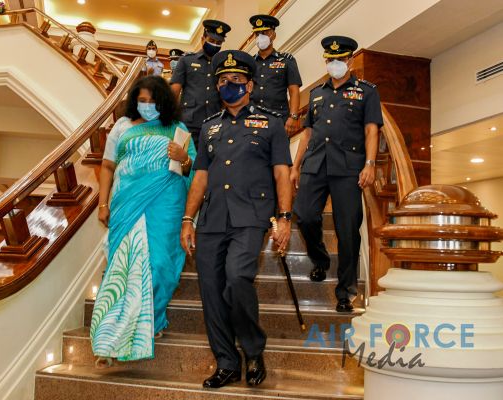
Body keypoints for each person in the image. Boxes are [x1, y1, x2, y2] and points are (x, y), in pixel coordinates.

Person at [180, 50, 293, 388]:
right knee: (211, 292)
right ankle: (227, 362)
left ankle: (253, 350)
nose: (229, 85)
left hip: (251, 217)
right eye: (223, 80)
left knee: (237, 278)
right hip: (212, 218)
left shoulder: (271, 124)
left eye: (236, 80)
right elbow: (200, 176)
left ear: (250, 84)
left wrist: (285, 218)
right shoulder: (209, 127)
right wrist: (188, 219)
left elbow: (282, 174)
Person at [91, 75, 196, 366]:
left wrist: (183, 157)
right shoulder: (122, 127)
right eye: (142, 100)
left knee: (160, 265)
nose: (147, 105)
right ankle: (110, 340)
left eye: (153, 101)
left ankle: (152, 322)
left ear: (164, 102)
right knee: (122, 269)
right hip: (127, 205)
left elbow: (194, 171)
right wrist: (102, 203)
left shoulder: (177, 129)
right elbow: (108, 166)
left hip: (166, 205)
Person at [291, 36, 382, 313]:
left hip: (348, 168)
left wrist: (370, 163)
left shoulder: (366, 92)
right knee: (304, 215)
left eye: (340, 59)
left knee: (347, 231)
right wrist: (295, 166)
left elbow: (371, 130)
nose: (334, 64)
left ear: (350, 61)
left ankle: (346, 292)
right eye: (330, 60)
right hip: (315, 164)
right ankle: (320, 259)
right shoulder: (317, 93)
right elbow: (307, 133)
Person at [170, 19, 231, 148]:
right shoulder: (186, 60)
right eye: (212, 40)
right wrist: (169, 118)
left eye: (219, 43)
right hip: (188, 122)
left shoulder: (222, 66)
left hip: (214, 123)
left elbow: (226, 95)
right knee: (182, 157)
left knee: (211, 158)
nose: (215, 45)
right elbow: (174, 92)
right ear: (203, 39)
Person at [249, 14, 302, 136]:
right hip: (254, 120)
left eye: (265, 32)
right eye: (257, 34)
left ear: (273, 34)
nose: (261, 37)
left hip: (279, 119)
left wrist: (293, 116)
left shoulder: (286, 60)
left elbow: (294, 91)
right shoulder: (250, 63)